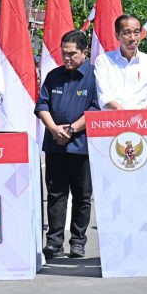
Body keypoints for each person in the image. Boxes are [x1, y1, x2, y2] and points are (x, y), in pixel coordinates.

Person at [35, 30, 99, 260]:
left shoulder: (94, 76)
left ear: (84, 53)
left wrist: (71, 129)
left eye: (72, 54)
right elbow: (42, 105)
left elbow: (94, 109)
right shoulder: (54, 76)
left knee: (82, 195)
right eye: (64, 53)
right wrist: (54, 129)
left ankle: (78, 241)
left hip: (82, 146)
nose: (67, 58)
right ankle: (54, 242)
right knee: (56, 194)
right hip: (55, 144)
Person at [94, 14, 147, 110]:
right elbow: (104, 97)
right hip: (113, 121)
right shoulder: (104, 61)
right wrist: (124, 116)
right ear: (117, 35)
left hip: (142, 121)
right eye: (127, 33)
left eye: (136, 33)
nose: (133, 38)